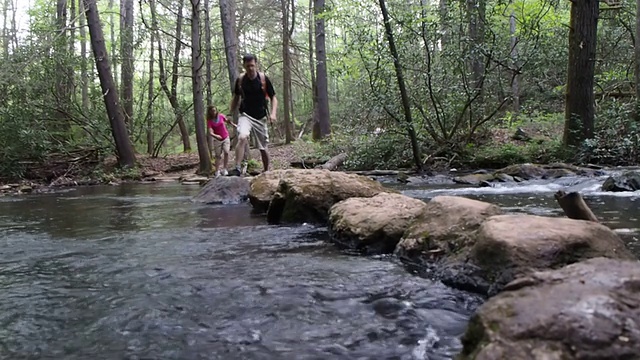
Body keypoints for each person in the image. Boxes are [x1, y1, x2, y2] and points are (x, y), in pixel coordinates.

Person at [229, 54, 278, 175]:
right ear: (244, 66)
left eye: (252, 65)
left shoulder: (263, 79)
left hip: (260, 116)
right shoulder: (241, 80)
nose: (250, 68)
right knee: (242, 137)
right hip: (245, 114)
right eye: (248, 66)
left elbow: (273, 98)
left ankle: (266, 171)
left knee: (263, 147)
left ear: (256, 64)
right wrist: (230, 113)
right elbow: (236, 97)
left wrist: (273, 114)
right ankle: (237, 168)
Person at [206, 105, 233, 177]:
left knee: (226, 152)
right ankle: (217, 171)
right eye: (212, 111)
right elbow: (210, 132)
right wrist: (216, 136)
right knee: (218, 155)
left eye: (214, 110)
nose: (214, 112)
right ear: (210, 112)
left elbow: (227, 121)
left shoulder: (221, 116)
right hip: (217, 139)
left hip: (225, 137)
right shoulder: (209, 121)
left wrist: (234, 124)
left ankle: (225, 169)